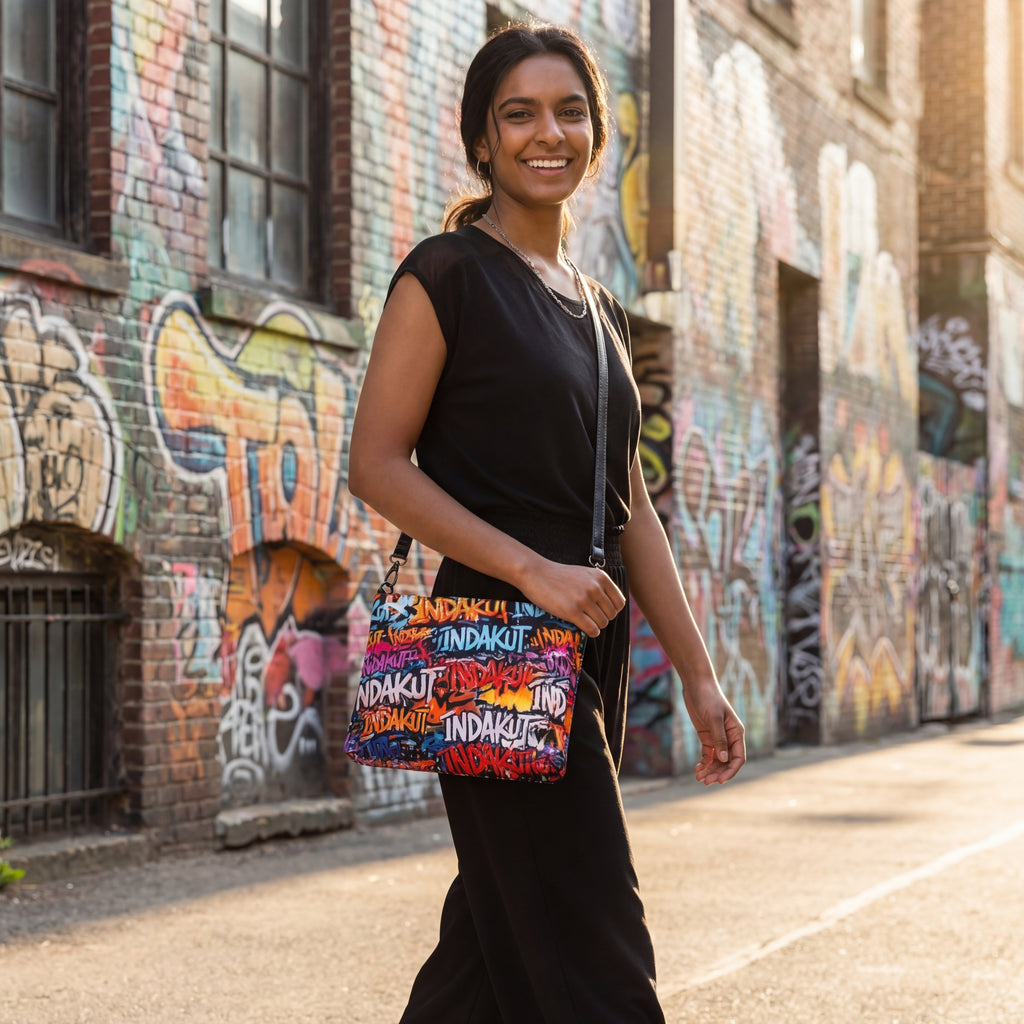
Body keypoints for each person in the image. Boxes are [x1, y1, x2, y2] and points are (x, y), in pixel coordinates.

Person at [348, 21, 746, 1024]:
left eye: (569, 111)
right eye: (517, 113)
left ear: (596, 135)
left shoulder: (600, 310)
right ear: (482, 141)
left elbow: (631, 509)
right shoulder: (444, 274)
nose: (546, 132)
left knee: (489, 954)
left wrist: (697, 677)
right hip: (497, 636)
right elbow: (376, 464)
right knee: (598, 955)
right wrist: (529, 569)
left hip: (588, 646)